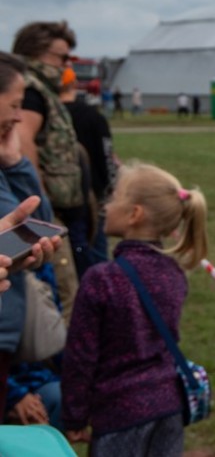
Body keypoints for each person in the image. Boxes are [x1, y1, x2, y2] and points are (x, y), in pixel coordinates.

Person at [61, 161, 208, 456]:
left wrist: (74, 416)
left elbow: (80, 356)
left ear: (135, 214)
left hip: (118, 415)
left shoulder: (101, 279)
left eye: (114, 197)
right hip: (169, 407)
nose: (105, 205)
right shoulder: (173, 274)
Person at [0, 52, 63, 409]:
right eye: (14, 104)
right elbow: (29, 223)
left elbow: (41, 221)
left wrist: (14, 162)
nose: (19, 117)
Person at [11, 21, 87, 302]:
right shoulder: (31, 92)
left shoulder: (41, 90)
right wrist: (40, 205)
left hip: (52, 209)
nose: (67, 66)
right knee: (65, 295)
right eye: (62, 58)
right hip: (45, 211)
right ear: (36, 53)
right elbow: (23, 143)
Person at [59, 68, 113, 269]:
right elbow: (106, 157)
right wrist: (108, 190)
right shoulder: (93, 117)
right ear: (74, 84)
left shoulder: (48, 116)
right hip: (92, 196)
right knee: (95, 252)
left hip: (58, 199)